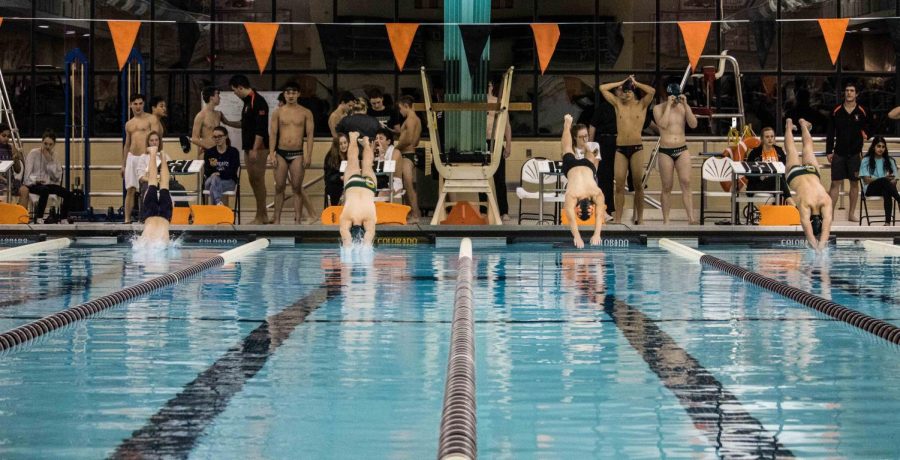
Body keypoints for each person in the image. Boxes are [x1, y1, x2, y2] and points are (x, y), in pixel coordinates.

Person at [599, 75, 655, 224]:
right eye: (624, 91)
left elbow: (652, 92)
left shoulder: (641, 104)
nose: (626, 93)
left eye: (629, 90)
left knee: (638, 185)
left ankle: (640, 219)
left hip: (636, 148)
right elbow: (602, 88)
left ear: (634, 91)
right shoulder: (618, 104)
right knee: (618, 185)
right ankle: (618, 219)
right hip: (620, 149)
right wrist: (622, 82)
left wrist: (636, 82)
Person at [268, 82, 316, 224]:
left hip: (298, 154)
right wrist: (271, 153)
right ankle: (276, 220)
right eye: (288, 92)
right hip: (281, 153)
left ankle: (297, 221)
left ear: (298, 94)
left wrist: (309, 155)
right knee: (279, 187)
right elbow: (273, 134)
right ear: (284, 94)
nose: (291, 95)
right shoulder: (278, 112)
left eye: (294, 92)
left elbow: (310, 135)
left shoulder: (306, 112)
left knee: (297, 187)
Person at [784, 118, 832, 251]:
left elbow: (823, 227)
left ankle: (802, 125)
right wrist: (819, 248)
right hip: (795, 174)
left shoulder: (825, 200)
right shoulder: (806, 203)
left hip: (812, 172)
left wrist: (819, 245)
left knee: (808, 146)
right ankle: (788, 126)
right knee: (791, 149)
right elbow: (810, 231)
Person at [653, 86, 698, 224]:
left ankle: (691, 218)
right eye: (673, 96)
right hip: (666, 151)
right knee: (667, 186)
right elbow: (663, 124)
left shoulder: (683, 107)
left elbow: (693, 124)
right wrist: (668, 106)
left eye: (677, 96)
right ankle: (666, 220)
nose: (675, 99)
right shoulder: (658, 108)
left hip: (682, 149)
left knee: (686, 182)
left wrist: (685, 104)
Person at [825, 82, 869, 222]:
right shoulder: (836, 110)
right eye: (847, 90)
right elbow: (830, 132)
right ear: (844, 93)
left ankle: (851, 214)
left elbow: (872, 125)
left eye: (852, 90)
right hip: (839, 153)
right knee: (834, 184)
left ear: (856, 94)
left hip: (855, 154)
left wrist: (866, 133)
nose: (849, 93)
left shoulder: (862, 110)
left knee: (854, 184)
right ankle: (830, 215)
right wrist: (828, 151)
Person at [230, 74, 269, 225]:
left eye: (235, 91)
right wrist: (226, 121)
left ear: (241, 87)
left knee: (258, 181)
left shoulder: (258, 101)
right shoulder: (247, 102)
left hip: (258, 148)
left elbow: (261, 129)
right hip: (249, 148)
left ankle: (261, 216)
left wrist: (254, 149)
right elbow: (245, 124)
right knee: (253, 181)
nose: (235, 94)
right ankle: (262, 215)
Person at [561, 114, 605, 249]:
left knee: (567, 148)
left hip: (583, 167)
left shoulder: (579, 195)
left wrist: (580, 236)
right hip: (582, 168)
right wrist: (592, 235)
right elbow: (599, 214)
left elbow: (598, 215)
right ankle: (568, 125)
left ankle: (567, 124)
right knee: (568, 148)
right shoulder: (591, 193)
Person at [122, 94, 162, 224]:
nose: (138, 106)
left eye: (140, 103)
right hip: (132, 157)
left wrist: (155, 157)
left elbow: (156, 139)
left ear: (144, 104)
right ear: (130, 105)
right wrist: (123, 165)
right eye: (135, 103)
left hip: (147, 157)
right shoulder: (129, 124)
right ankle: (127, 219)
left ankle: (146, 218)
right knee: (130, 189)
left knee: (147, 187)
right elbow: (127, 144)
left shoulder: (151, 119)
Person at [19, 130, 72, 223]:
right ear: (42, 142)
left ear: (54, 144)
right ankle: (39, 217)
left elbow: (56, 177)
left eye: (50, 144)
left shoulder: (54, 156)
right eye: (45, 144)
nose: (47, 147)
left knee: (67, 193)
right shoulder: (33, 153)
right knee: (44, 190)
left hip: (47, 184)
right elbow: (27, 175)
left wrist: (49, 161)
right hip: (33, 184)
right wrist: (36, 180)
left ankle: (63, 218)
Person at [479, 79, 512, 222]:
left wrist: (509, 144)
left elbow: (507, 125)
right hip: (480, 143)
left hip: (496, 143)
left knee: (500, 179)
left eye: (489, 84)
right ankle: (483, 210)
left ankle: (504, 211)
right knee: (482, 178)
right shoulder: (477, 103)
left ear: (492, 86)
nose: (487, 87)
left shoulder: (499, 103)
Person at [339, 132, 377, 247]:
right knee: (353, 160)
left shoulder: (369, 218)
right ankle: (357, 139)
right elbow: (347, 239)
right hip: (353, 186)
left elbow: (347, 241)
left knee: (367, 164)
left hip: (368, 187)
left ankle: (364, 142)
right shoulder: (346, 217)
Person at [745, 126, 794, 206]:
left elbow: (784, 170)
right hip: (759, 185)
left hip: (777, 183)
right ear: (762, 139)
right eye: (767, 137)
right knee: (778, 180)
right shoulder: (754, 153)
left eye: (772, 136)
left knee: (778, 179)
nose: (770, 139)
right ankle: (793, 205)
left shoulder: (779, 151)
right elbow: (747, 174)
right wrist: (760, 177)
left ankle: (777, 213)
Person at [589, 93, 619, 219]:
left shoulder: (621, 107)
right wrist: (591, 144)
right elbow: (593, 126)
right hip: (602, 142)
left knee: (612, 176)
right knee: (602, 176)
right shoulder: (602, 108)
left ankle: (609, 208)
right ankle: (603, 207)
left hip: (617, 142)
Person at [136, 146, 172, 247]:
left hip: (164, 216)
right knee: (153, 182)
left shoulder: (162, 243)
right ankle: (153, 153)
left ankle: (162, 157)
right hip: (149, 214)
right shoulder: (147, 244)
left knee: (164, 184)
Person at [858, 136, 899, 225]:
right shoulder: (866, 160)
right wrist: (884, 179)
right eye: (878, 146)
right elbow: (866, 180)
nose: (881, 149)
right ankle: (899, 199)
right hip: (871, 189)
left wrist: (891, 181)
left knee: (886, 189)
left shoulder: (890, 160)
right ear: (873, 147)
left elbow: (895, 180)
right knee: (885, 181)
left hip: (886, 188)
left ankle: (887, 223)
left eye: (883, 147)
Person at [190, 86, 240, 156]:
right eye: (217, 95)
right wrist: (210, 148)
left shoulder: (218, 114)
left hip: (219, 151)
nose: (219, 97)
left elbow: (228, 123)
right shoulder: (200, 115)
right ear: (211, 97)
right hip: (207, 151)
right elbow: (194, 139)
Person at [394, 95, 422, 219]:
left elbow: (409, 139)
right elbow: (415, 142)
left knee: (408, 184)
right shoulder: (417, 120)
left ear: (406, 106)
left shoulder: (410, 119)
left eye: (400, 109)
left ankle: (415, 213)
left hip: (407, 155)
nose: (400, 112)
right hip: (410, 153)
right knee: (406, 184)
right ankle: (411, 212)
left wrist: (396, 148)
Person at [204, 127, 240, 207]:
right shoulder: (209, 152)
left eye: (220, 136)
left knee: (214, 183)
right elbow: (207, 171)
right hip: (210, 181)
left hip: (229, 182)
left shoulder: (233, 152)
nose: (217, 139)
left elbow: (232, 172)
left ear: (226, 136)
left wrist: (219, 173)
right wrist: (215, 174)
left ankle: (217, 204)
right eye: (215, 137)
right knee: (214, 179)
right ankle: (218, 203)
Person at [324, 133, 349, 206]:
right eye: (340, 144)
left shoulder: (350, 154)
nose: (344, 146)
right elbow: (329, 177)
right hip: (334, 187)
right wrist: (340, 177)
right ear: (336, 145)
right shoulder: (330, 157)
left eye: (345, 143)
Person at [0, 124, 24, 197]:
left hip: (11, 181)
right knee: (6, 191)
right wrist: (6, 182)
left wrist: (15, 158)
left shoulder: (10, 148)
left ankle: (18, 208)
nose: (6, 138)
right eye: (4, 136)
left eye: (8, 136)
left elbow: (17, 170)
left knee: (24, 191)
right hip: (2, 182)